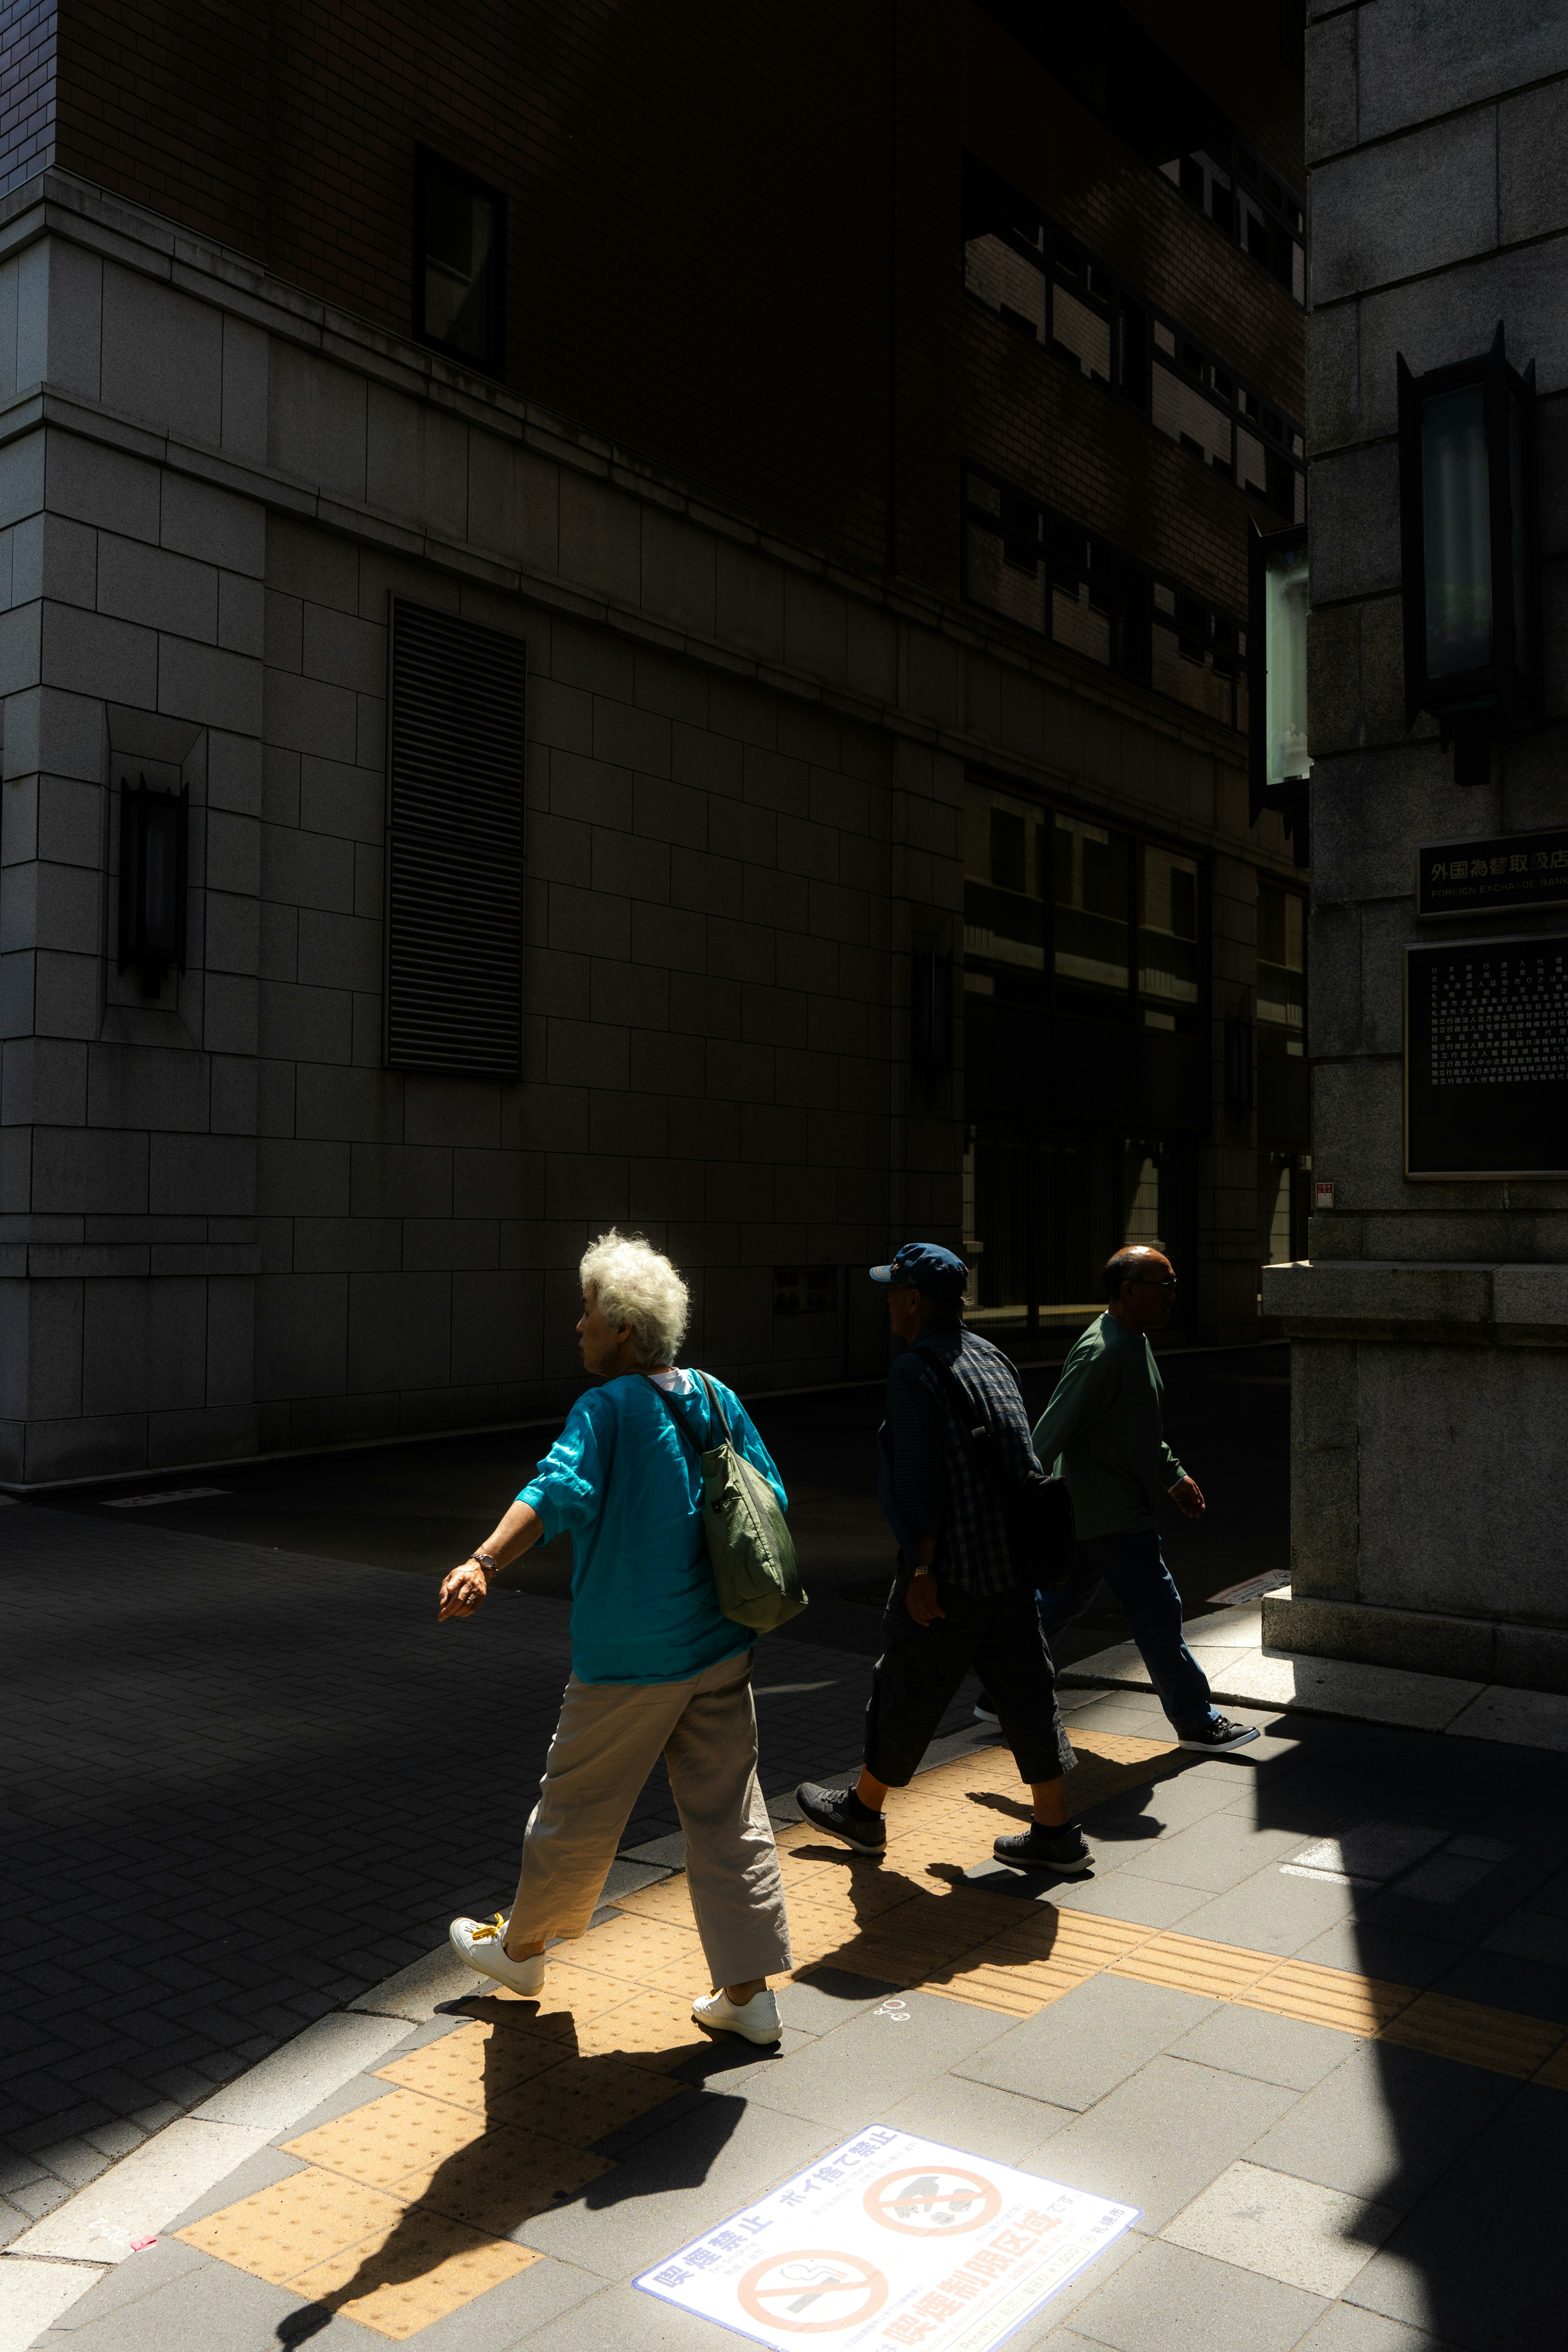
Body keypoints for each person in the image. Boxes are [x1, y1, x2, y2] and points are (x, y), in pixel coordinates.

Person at [439, 1229, 794, 2045]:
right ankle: (749, 1997)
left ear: (624, 1328)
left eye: (589, 1310)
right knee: (729, 1818)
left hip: (631, 1662)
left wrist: (485, 1560)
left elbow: (555, 1491)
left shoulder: (606, 1408)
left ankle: (522, 1952)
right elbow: (768, 1491)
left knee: (577, 1810)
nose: (579, 1324)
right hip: (721, 1649)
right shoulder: (712, 1394)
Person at [795, 1241, 1085, 1873]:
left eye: (892, 1292)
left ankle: (864, 1814)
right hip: (1011, 1565)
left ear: (914, 1300)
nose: (888, 1304)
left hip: (954, 1568)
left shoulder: (914, 1371)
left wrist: (924, 1571)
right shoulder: (992, 1357)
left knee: (907, 1685)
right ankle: (1056, 1829)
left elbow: (921, 1482)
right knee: (1027, 1692)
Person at [1029, 1243, 1259, 1753]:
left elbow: (1133, 1426)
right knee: (1157, 1610)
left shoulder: (1134, 1338)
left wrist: (1173, 1476)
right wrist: (1015, 1496)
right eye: (1166, 1285)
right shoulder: (1103, 1352)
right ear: (1129, 1291)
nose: (1174, 1295)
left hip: (1100, 1509)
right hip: (1112, 1512)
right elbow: (1050, 1431)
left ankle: (1003, 1694)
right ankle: (1197, 1721)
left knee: (1058, 1605)